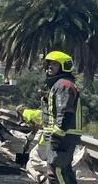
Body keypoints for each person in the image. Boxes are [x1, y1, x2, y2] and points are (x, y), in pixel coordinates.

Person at [41, 51, 82, 184]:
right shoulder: (61, 84)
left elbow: (65, 113)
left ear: (64, 66)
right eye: (49, 64)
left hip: (62, 138)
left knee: (56, 172)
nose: (50, 67)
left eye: (54, 64)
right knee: (64, 172)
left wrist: (56, 137)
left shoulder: (63, 85)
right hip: (63, 136)